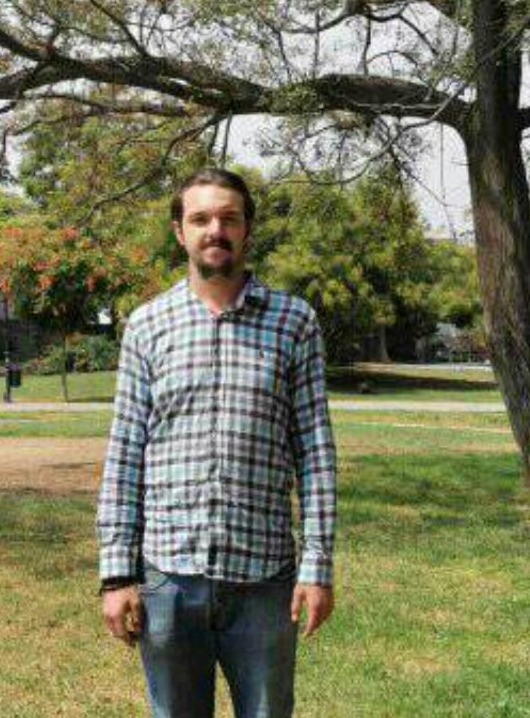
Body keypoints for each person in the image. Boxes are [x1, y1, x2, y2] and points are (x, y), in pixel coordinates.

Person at [96, 168, 338, 718]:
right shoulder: (147, 326)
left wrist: (317, 566)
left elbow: (316, 455)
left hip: (264, 580)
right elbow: (125, 452)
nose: (215, 230)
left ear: (247, 228)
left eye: (229, 218)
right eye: (200, 218)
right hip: (168, 580)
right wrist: (117, 574)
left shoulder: (294, 322)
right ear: (179, 231)